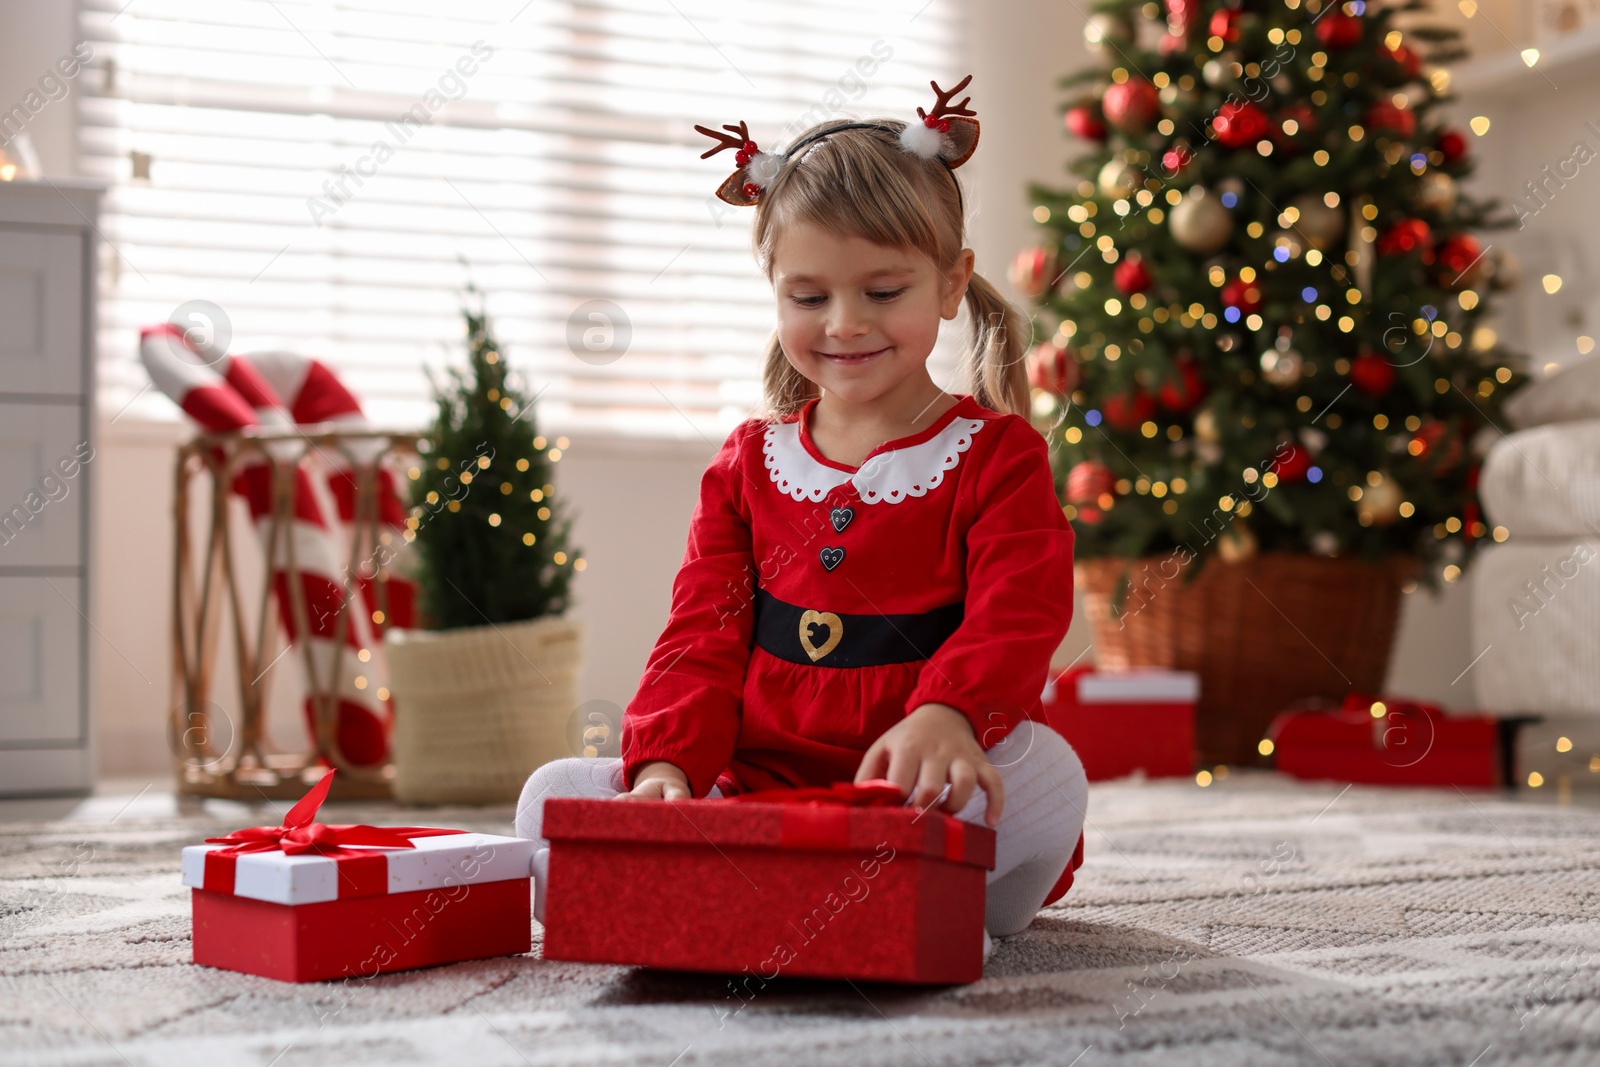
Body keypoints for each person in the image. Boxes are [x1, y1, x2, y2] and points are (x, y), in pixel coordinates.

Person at [517, 76, 1087, 960]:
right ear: (776, 291)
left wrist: (952, 715)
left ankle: (854, 896)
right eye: (810, 297)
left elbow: (1021, 611)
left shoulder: (997, 454)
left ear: (950, 283)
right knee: (548, 796)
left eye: (883, 292)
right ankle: (829, 896)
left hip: (914, 784)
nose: (846, 324)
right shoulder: (748, 464)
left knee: (1050, 778)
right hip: (753, 786)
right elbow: (698, 632)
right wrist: (666, 766)